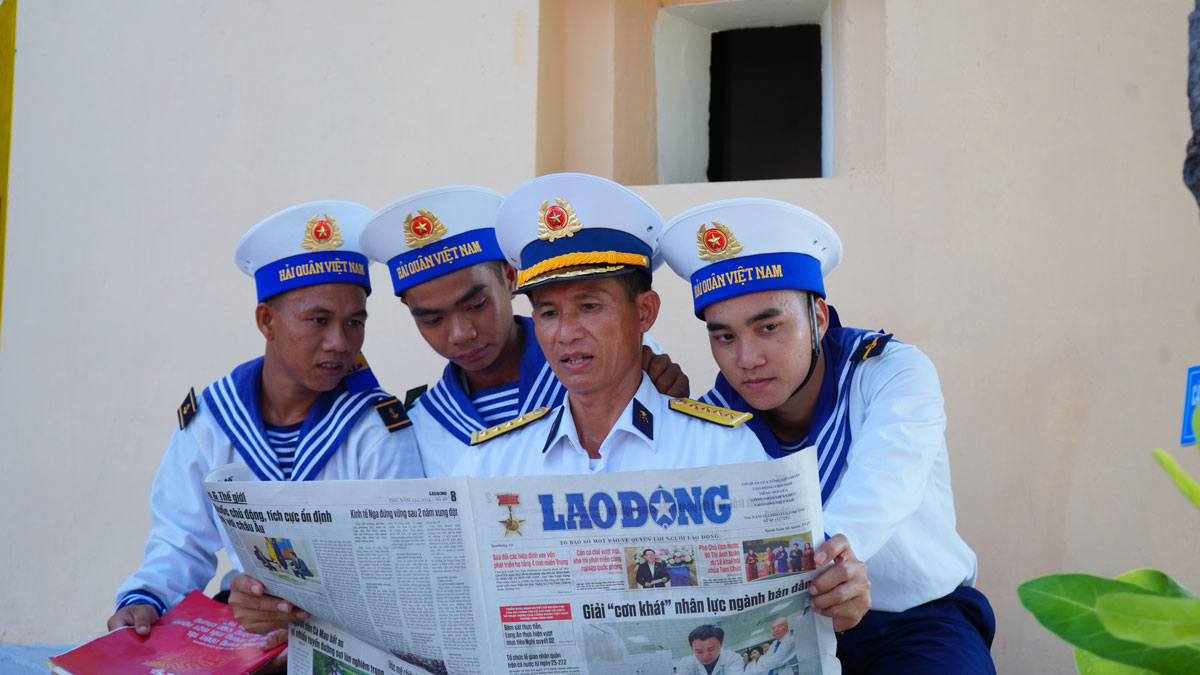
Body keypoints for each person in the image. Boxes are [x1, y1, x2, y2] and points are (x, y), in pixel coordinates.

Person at [660, 198, 996, 673]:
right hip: (782, 630)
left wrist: (833, 563)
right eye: (724, 337)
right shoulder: (709, 420)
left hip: (914, 622)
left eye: (769, 327)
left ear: (818, 317)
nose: (747, 358)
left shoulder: (889, 372)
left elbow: (886, 477)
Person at [106, 201, 423, 643]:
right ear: (266, 321)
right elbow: (180, 538)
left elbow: (396, 569)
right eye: (318, 320)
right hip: (242, 633)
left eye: (355, 322)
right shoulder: (212, 419)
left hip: (348, 644)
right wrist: (145, 598)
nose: (340, 342)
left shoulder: (375, 429)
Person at [358, 185, 690, 477]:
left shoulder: (610, 363)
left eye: (476, 305)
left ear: (509, 276)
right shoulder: (422, 424)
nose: (460, 334)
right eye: (432, 320)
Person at [677, 625, 742, 675]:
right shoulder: (686, 663)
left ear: (722, 643)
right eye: (699, 651)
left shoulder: (733, 658)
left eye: (711, 649)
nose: (705, 656)